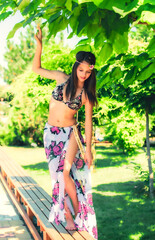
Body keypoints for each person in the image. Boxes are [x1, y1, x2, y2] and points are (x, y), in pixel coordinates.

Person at [32, 26, 98, 240]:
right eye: (82, 70)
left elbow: (88, 123)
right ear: (76, 67)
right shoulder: (61, 78)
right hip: (50, 133)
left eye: (88, 72)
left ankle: (78, 215)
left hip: (70, 133)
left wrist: (88, 151)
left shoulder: (86, 94)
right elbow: (37, 69)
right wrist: (39, 46)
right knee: (56, 177)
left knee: (65, 172)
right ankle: (68, 215)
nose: (84, 74)